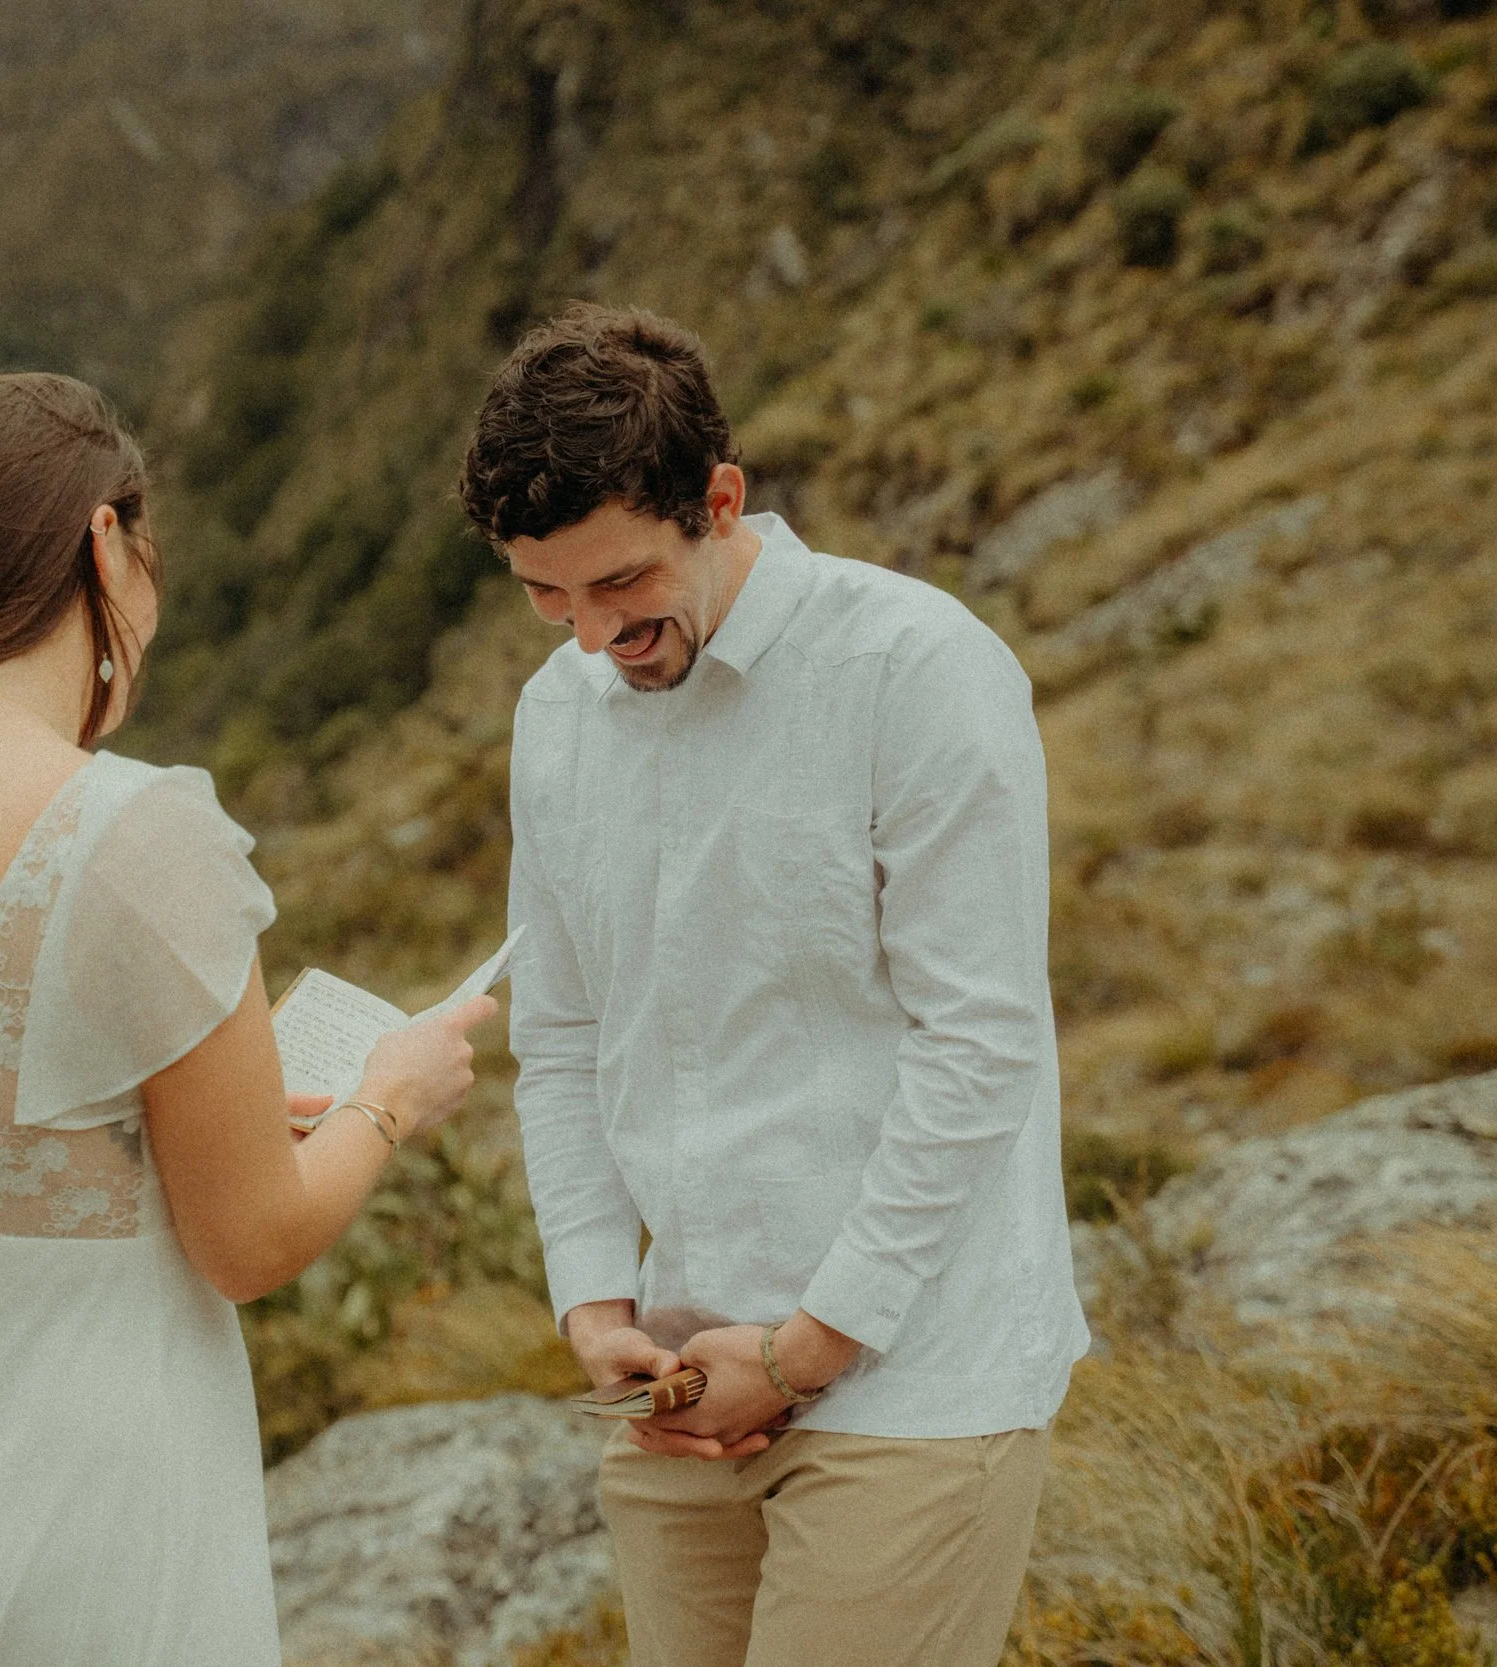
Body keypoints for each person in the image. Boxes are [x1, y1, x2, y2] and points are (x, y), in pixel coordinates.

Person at [0, 372, 491, 1666]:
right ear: (103, 544)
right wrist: (388, 1093)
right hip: (82, 1519)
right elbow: (251, 1238)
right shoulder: (129, 829)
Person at [460, 305, 1088, 1667]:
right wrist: (592, 1304)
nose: (585, 637)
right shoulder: (555, 714)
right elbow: (563, 1037)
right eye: (544, 595)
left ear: (720, 502)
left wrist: (806, 1351)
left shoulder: (915, 669)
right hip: (676, 1386)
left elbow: (979, 1043)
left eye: (619, 584)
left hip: (916, 1379)